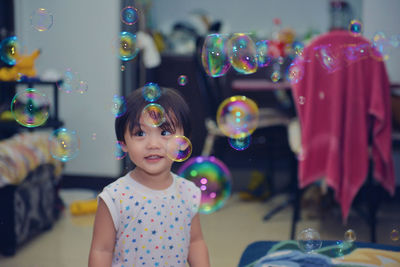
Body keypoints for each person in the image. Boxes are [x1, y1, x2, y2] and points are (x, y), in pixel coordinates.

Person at [89, 86, 210, 267]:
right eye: (140, 133)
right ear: (123, 143)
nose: (153, 144)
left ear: (184, 141)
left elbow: (195, 242)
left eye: (165, 132)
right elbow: (101, 250)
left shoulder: (188, 192)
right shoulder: (115, 197)